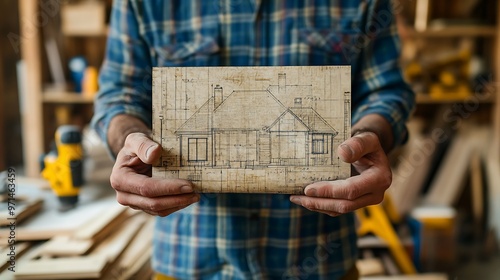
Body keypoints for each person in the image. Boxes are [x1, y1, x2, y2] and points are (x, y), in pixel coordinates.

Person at [92, 0, 415, 279]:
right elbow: (119, 95)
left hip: (319, 260)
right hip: (188, 260)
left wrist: (371, 135)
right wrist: (129, 138)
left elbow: (384, 91)